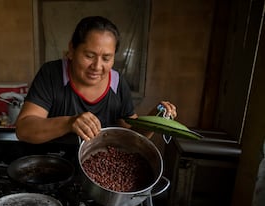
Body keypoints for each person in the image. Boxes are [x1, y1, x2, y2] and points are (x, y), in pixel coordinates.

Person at [16, 16, 177, 144]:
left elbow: (132, 136)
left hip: (97, 173)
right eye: (89, 56)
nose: (97, 66)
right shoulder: (52, 73)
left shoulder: (117, 82)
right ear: (71, 50)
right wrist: (68, 123)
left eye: (106, 58)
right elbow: (24, 129)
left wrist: (155, 119)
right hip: (53, 168)